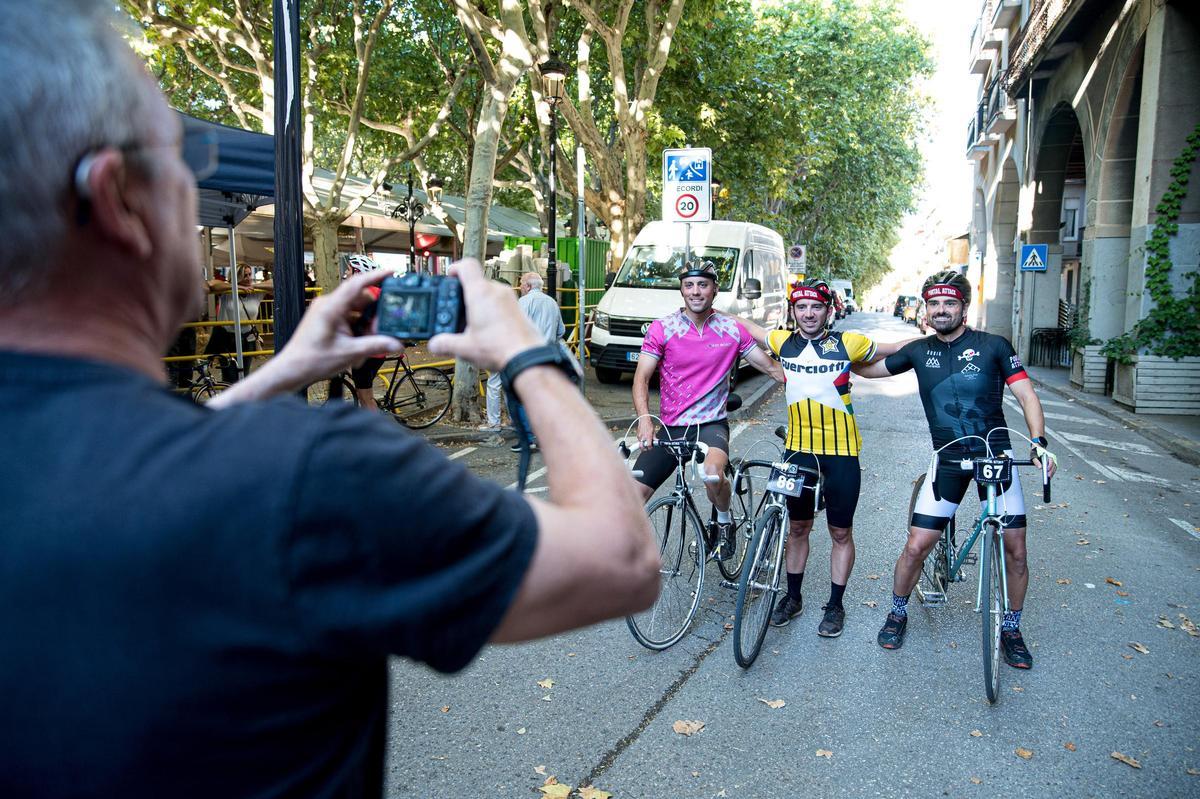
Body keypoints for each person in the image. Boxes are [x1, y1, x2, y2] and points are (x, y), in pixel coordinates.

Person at [0, 4, 659, 795]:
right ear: (118, 199)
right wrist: (528, 352)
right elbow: (622, 558)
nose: (193, 180)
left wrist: (282, 370)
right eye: (183, 155)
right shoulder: (310, 473)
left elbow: (113, 478)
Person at [851, 270, 1058, 668]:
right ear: (926, 309)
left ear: (964, 307)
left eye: (949, 302)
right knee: (916, 546)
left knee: (1016, 551)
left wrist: (1038, 442)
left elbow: (1026, 395)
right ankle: (897, 612)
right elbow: (867, 369)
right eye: (934, 303)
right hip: (948, 459)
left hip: (995, 459)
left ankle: (1011, 628)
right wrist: (841, 350)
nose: (941, 309)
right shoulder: (918, 350)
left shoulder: (994, 346)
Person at [729, 279, 909, 637]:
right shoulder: (783, 342)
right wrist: (711, 311)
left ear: (828, 311)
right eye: (801, 307)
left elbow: (895, 348)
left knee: (840, 532)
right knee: (798, 528)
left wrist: (940, 339)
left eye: (816, 307)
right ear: (793, 311)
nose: (808, 313)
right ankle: (793, 598)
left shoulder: (848, 342)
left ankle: (835, 605)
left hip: (842, 453)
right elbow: (748, 327)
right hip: (798, 452)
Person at [631, 261, 784, 561]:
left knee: (713, 475)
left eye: (703, 285)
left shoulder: (731, 329)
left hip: (711, 424)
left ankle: (724, 522)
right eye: (689, 285)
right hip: (672, 426)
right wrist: (645, 420)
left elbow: (771, 368)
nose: (695, 291)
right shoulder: (663, 328)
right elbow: (641, 378)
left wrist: (820, 377)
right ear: (681, 290)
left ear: (714, 290)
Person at [486, 271, 566, 451]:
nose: (520, 287)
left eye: (522, 283)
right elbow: (561, 331)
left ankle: (528, 438)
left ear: (528, 286)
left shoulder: (524, 302)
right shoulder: (552, 303)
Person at [204, 262, 273, 382]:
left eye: (250, 274)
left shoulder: (256, 292)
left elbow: (274, 284)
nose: (249, 278)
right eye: (245, 275)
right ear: (237, 277)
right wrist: (238, 287)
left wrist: (254, 286)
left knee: (244, 375)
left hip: (247, 338)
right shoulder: (227, 291)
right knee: (229, 376)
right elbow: (211, 284)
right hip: (228, 338)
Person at [343, 253, 389, 409]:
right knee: (363, 394)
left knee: (366, 398)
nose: (346, 273)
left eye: (348, 269)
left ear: (357, 272)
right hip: (375, 351)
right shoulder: (376, 290)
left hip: (368, 353)